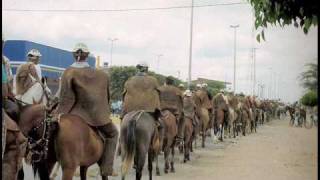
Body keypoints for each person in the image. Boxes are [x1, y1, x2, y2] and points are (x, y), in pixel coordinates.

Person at [54, 43, 118, 177]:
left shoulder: (68, 72)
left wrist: (57, 112)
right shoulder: (102, 75)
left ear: (74, 54)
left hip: (74, 114)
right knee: (113, 134)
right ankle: (106, 168)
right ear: (87, 55)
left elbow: (64, 96)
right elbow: (107, 97)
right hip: (97, 116)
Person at [158, 76, 184, 141]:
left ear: (166, 81)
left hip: (160, 111)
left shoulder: (159, 89)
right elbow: (182, 102)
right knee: (183, 119)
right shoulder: (178, 90)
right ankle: (179, 136)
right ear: (173, 82)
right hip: (174, 111)